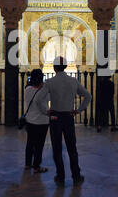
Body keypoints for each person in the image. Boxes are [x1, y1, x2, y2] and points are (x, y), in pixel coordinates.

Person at [37, 56, 92, 186]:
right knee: (72, 148)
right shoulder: (73, 81)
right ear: (66, 67)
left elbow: (38, 99)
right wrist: (78, 110)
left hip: (55, 117)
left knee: (57, 148)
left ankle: (60, 177)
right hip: (68, 117)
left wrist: (46, 111)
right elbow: (88, 96)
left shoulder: (50, 82)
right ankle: (76, 176)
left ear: (54, 68)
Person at [24, 69, 50, 173]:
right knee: (39, 144)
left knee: (30, 142)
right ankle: (36, 166)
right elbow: (49, 99)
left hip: (30, 120)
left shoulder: (27, 89)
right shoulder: (44, 91)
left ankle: (27, 164)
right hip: (42, 121)